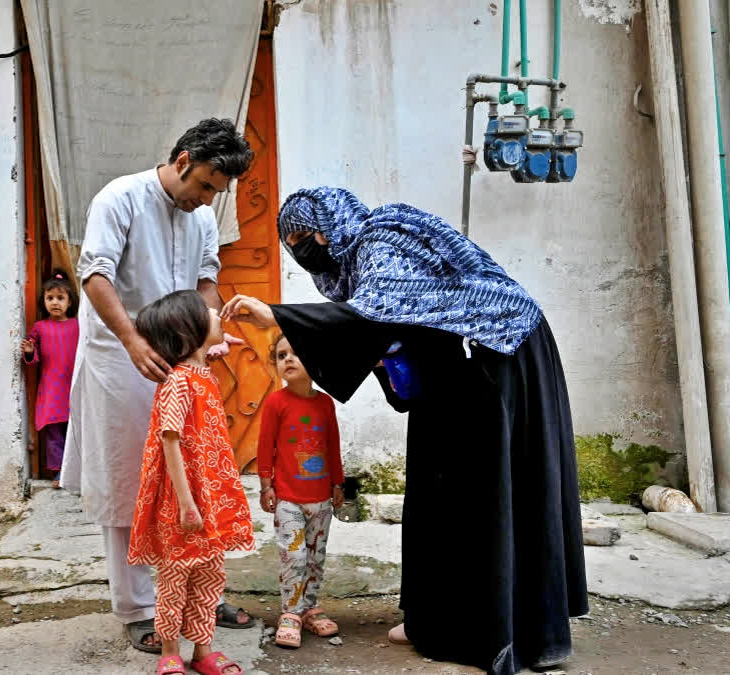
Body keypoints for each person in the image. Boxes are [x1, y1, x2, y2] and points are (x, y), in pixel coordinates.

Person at [221, 187, 587, 674]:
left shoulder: (384, 240)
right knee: (437, 488)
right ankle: (432, 619)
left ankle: (500, 631)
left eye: (305, 236)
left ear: (331, 225)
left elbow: (375, 316)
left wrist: (278, 314)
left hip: (499, 354)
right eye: (292, 243)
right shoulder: (367, 260)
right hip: (460, 365)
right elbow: (388, 327)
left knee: (481, 490)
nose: (303, 249)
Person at [59, 118, 256, 652]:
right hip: (121, 360)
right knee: (132, 480)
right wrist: (131, 341)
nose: (208, 199)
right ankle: (139, 608)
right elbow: (94, 273)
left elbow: (206, 280)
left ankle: (198, 597)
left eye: (219, 191)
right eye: (207, 185)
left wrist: (210, 333)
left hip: (186, 366)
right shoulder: (119, 198)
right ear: (185, 160)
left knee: (196, 471)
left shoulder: (203, 218)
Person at [127, 290, 254, 675]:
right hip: (184, 501)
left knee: (210, 575)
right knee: (175, 577)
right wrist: (185, 502)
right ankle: (170, 651)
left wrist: (209, 350)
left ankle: (203, 651)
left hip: (211, 497)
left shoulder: (201, 376)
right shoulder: (179, 383)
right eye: (210, 313)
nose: (218, 314)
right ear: (191, 331)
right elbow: (170, 441)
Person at [256, 332, 344, 649]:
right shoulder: (275, 403)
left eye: (296, 353)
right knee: (294, 556)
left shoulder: (325, 403)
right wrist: (266, 486)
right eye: (281, 355)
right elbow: (265, 448)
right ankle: (291, 613)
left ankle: (309, 607)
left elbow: (332, 446)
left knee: (315, 557)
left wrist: (338, 483)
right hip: (288, 499)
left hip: (321, 500)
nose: (288, 359)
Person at [20, 272, 80, 487]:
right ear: (43, 301)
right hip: (52, 388)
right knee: (54, 432)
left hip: (74, 385)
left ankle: (79, 471)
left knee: (76, 430)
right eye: (50, 298)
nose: (55, 302)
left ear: (70, 301)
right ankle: (59, 473)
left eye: (60, 298)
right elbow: (33, 358)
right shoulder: (40, 328)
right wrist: (29, 351)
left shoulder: (78, 326)